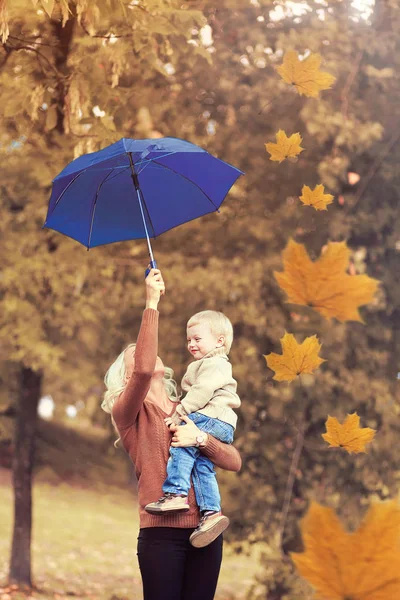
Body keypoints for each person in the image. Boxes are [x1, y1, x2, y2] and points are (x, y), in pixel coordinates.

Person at [101, 269, 242, 600]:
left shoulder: (191, 407)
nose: (142, 351)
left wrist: (201, 439)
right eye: (134, 353)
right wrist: (152, 301)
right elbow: (144, 369)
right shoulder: (128, 413)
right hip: (161, 535)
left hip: (206, 532)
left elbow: (233, 461)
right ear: (128, 374)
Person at [144, 310, 241, 549]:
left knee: (181, 444)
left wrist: (180, 413)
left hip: (212, 416)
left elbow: (202, 392)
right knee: (202, 465)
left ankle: (176, 493)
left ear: (219, 341)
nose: (191, 344)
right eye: (189, 340)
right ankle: (211, 514)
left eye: (197, 339)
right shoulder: (208, 364)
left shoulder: (215, 364)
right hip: (220, 421)